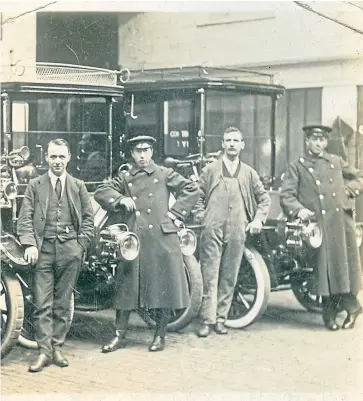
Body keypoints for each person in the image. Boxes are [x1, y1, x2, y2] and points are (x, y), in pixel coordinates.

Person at [94, 135, 199, 352]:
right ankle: (119, 335)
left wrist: (176, 214)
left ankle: (160, 335)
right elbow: (101, 192)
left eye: (146, 150)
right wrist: (121, 199)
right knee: (126, 287)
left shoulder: (163, 173)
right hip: (135, 240)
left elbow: (192, 189)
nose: (142, 155)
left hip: (162, 237)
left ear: (151, 152)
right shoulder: (125, 177)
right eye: (138, 151)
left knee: (163, 288)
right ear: (132, 154)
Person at [17, 139, 94, 372]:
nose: (57, 161)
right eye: (53, 157)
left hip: (70, 250)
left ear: (69, 157)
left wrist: (80, 245)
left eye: (61, 157)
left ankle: (57, 348)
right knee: (42, 303)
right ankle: (43, 351)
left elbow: (89, 221)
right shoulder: (35, 185)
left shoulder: (78, 185)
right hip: (43, 251)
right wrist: (30, 244)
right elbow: (25, 219)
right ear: (47, 159)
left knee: (62, 303)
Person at [280, 124, 363, 331]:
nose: (318, 144)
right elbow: (286, 195)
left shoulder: (335, 162)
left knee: (339, 268)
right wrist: (298, 210)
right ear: (306, 141)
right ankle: (346, 308)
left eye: (322, 140)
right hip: (316, 227)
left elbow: (359, 177)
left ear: (326, 142)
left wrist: (348, 190)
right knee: (323, 269)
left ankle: (339, 311)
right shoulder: (297, 166)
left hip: (339, 224)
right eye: (314, 139)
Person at [193, 126, 271, 337]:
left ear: (242, 144)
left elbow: (264, 199)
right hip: (212, 228)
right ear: (222, 143)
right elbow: (197, 197)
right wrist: (203, 218)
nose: (232, 144)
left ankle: (221, 319)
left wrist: (258, 219)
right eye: (228, 140)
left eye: (236, 140)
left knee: (229, 275)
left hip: (238, 229)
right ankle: (206, 321)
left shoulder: (249, 173)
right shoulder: (210, 170)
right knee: (209, 275)